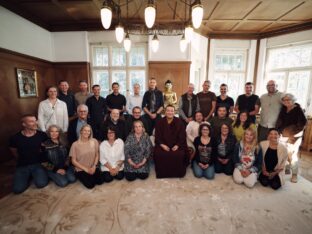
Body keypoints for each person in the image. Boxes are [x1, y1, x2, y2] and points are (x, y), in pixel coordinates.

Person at [9, 114, 49, 194]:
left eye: (35, 120)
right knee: (17, 190)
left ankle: (34, 175)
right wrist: (21, 159)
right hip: (23, 165)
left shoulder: (42, 135)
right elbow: (14, 151)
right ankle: (28, 175)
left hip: (38, 164)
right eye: (31, 121)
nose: (35, 123)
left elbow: (47, 150)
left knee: (41, 184)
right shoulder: (15, 138)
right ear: (24, 124)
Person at [276, 93, 307, 183]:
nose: (286, 101)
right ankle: (287, 169)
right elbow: (279, 121)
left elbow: (303, 124)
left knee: (293, 155)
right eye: (284, 100)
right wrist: (279, 131)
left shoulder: (298, 109)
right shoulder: (283, 109)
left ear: (293, 100)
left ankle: (294, 174)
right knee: (285, 153)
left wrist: (291, 134)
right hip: (283, 135)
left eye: (288, 99)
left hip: (294, 136)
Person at [153, 105, 189, 178]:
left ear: (174, 112)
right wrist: (163, 145)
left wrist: (177, 145)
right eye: (168, 110)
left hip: (176, 145)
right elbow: (157, 136)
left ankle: (178, 173)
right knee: (158, 154)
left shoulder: (179, 122)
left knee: (179, 154)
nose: (170, 112)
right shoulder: (160, 122)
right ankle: (162, 173)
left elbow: (182, 136)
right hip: (163, 144)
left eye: (171, 111)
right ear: (165, 112)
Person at [69, 124, 102, 189]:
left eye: (88, 131)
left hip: (92, 166)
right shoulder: (75, 144)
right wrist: (86, 169)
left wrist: (94, 166)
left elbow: (97, 155)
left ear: (90, 132)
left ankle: (91, 175)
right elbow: (73, 161)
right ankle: (79, 175)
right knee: (90, 185)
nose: (87, 132)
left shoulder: (94, 141)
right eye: (85, 130)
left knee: (100, 181)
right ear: (81, 131)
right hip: (81, 169)